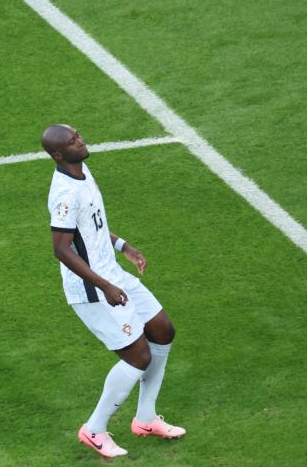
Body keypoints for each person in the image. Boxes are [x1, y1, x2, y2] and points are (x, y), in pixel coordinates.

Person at [42, 124, 185, 458]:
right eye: (73, 141)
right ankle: (94, 429)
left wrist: (124, 247)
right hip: (92, 287)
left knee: (162, 330)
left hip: (112, 273)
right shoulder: (64, 193)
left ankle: (146, 419)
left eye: (78, 135)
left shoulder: (82, 172)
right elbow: (61, 249)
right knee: (138, 356)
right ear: (58, 154)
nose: (81, 141)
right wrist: (103, 285)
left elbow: (92, 228)